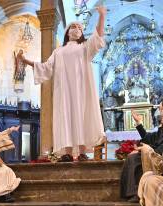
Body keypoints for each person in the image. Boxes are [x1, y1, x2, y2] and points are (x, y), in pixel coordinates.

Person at [17, 6, 107, 162]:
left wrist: (102, 16)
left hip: (81, 91)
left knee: (81, 116)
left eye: (80, 27)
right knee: (65, 118)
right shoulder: (58, 52)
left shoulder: (84, 47)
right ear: (67, 32)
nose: (77, 29)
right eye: (73, 26)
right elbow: (45, 67)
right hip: (63, 91)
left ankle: (81, 152)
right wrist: (25, 61)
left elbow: (98, 36)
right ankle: (66, 152)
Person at [120, 98, 163, 203]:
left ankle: (136, 193)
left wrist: (142, 151)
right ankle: (128, 193)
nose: (159, 112)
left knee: (134, 158)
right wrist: (139, 124)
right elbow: (150, 139)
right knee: (132, 157)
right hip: (155, 155)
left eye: (161, 109)